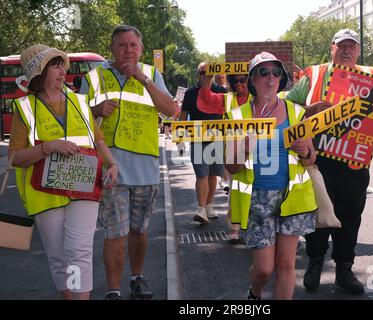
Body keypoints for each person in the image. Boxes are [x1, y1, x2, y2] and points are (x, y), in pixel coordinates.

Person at [286, 28, 373, 294]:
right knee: (317, 217)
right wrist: (309, 111)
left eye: (352, 46)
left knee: (350, 219)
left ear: (358, 50)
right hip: (318, 162)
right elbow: (287, 108)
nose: (347, 50)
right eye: (341, 46)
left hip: (354, 165)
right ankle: (315, 264)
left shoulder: (372, 80)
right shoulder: (313, 76)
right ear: (332, 48)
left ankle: (344, 270)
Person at [8, 44, 118, 300]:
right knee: (59, 256)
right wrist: (48, 147)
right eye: (55, 65)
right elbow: (15, 157)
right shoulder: (24, 107)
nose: (62, 71)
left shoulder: (80, 101)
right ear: (40, 72)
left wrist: (112, 164)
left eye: (62, 65)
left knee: (78, 251)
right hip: (43, 192)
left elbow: (98, 140)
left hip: (84, 186)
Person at [80, 25, 177, 300]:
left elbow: (170, 111)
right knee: (115, 233)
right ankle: (113, 290)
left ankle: (137, 278)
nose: (128, 50)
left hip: (145, 168)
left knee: (139, 229)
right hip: (111, 168)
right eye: (122, 45)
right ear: (111, 48)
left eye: (133, 45)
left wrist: (144, 80)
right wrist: (96, 110)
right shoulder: (95, 78)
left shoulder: (152, 73)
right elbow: (78, 121)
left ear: (141, 49)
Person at [218, 52, 318, 299]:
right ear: (252, 79)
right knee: (264, 269)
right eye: (263, 72)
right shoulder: (237, 116)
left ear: (281, 79)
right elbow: (230, 167)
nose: (270, 78)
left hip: (291, 198)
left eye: (276, 73)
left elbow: (310, 158)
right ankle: (255, 291)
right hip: (257, 199)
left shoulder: (296, 112)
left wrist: (305, 151)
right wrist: (243, 147)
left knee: (286, 265)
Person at [197, 73, 253, 240]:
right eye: (234, 81)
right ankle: (234, 228)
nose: (238, 84)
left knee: (256, 191)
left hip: (257, 148)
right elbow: (206, 98)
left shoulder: (259, 97)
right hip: (234, 148)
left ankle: (253, 226)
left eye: (242, 80)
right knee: (236, 188)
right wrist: (208, 78)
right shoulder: (227, 99)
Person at [180, 62, 227, 224]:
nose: (205, 76)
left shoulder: (221, 91)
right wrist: (180, 139)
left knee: (214, 175)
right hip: (198, 140)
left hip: (218, 140)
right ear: (197, 74)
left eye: (208, 73)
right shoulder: (190, 93)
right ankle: (201, 208)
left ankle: (209, 205)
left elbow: (228, 114)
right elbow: (183, 115)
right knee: (202, 175)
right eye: (202, 73)